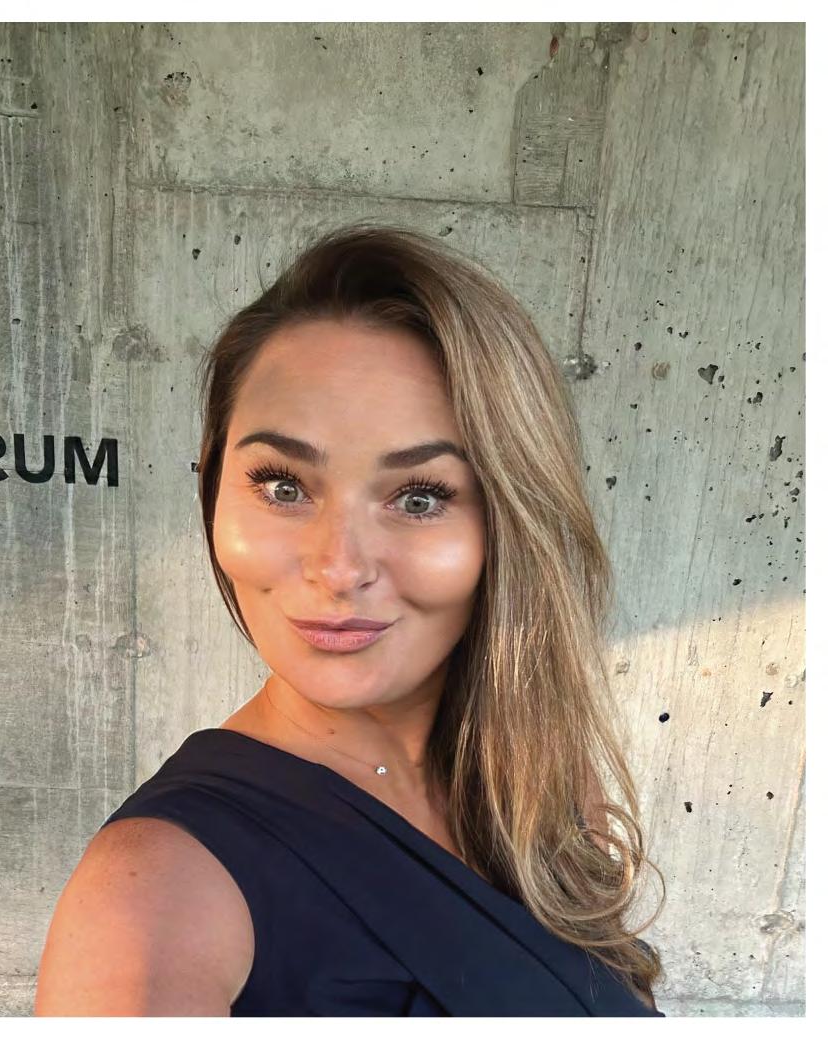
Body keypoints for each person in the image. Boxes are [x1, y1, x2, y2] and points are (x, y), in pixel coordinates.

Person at [34, 223, 666, 1016]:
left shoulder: (544, 787)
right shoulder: (151, 895)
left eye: (419, 496)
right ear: (214, 489)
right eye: (283, 485)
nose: (338, 567)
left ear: (510, 519)